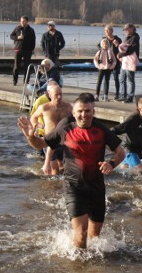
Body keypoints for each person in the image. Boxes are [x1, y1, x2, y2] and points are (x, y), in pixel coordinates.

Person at [17, 93, 125, 249]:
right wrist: (30, 137)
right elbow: (41, 144)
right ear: (73, 113)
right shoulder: (65, 127)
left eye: (87, 111)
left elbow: (120, 153)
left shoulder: (101, 129)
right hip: (73, 186)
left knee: (95, 237)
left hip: (96, 186)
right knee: (81, 234)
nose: (84, 115)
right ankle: (80, 271)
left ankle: (93, 269)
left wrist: (111, 164)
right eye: (80, 111)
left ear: (93, 112)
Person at [29, 84, 71, 175]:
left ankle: (61, 186)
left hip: (64, 141)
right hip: (49, 142)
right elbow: (33, 117)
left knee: (64, 168)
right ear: (50, 94)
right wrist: (38, 125)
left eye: (61, 94)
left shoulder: (68, 107)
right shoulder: (44, 107)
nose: (59, 97)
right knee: (54, 170)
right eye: (56, 95)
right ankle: (51, 188)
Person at [111, 96, 142, 165]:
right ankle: (125, 158)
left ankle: (124, 163)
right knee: (139, 169)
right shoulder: (132, 120)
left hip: (141, 147)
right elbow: (116, 129)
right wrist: (113, 145)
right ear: (140, 109)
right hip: (129, 147)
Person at [10, 16, 36, 86]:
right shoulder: (17, 28)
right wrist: (17, 38)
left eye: (24, 21)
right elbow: (11, 36)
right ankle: (15, 80)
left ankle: (26, 81)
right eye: (21, 21)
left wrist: (31, 49)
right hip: (18, 49)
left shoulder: (31, 30)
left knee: (26, 66)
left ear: (27, 21)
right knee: (16, 66)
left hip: (27, 50)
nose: (22, 22)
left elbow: (33, 41)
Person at [117, 24, 140, 101]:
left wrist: (120, 54)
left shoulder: (135, 38)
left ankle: (130, 96)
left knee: (130, 79)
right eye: (125, 30)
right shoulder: (127, 37)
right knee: (122, 78)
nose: (125, 31)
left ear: (131, 29)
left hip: (130, 61)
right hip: (125, 61)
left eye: (127, 29)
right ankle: (123, 95)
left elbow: (130, 50)